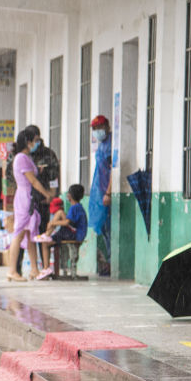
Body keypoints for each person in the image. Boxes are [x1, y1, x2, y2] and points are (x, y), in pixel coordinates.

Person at [6, 130, 55, 281]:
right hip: (25, 197)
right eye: (35, 140)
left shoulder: (24, 158)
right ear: (28, 142)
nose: (36, 143)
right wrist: (47, 194)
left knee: (29, 233)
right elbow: (32, 180)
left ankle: (34, 269)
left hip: (27, 196)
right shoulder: (22, 158)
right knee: (19, 233)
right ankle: (12, 270)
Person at [36, 184, 88, 278]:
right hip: (74, 232)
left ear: (69, 196)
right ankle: (46, 268)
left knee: (45, 242)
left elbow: (67, 222)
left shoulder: (74, 207)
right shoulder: (78, 207)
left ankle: (46, 268)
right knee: (45, 242)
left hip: (74, 234)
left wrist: (53, 223)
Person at [88, 114, 112, 277]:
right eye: (95, 129)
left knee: (109, 229)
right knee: (103, 228)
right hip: (98, 192)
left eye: (100, 128)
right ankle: (107, 263)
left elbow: (113, 170)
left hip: (106, 194)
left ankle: (111, 262)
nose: (97, 132)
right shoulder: (101, 144)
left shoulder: (111, 146)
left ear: (107, 127)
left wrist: (108, 192)